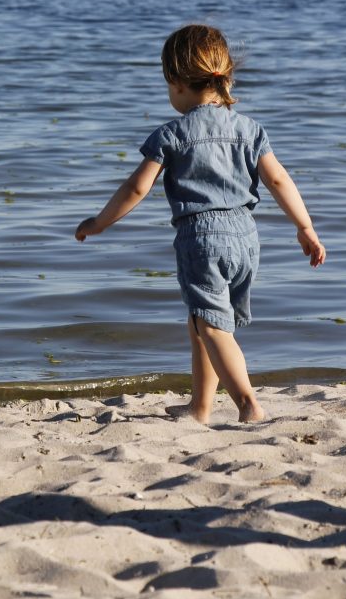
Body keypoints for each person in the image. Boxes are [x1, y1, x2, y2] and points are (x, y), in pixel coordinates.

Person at [75, 24, 325, 424]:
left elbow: (136, 188)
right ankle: (200, 407)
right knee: (204, 323)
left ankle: (248, 404)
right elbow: (278, 179)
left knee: (210, 327)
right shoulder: (249, 129)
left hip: (202, 238)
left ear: (176, 83)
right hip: (246, 237)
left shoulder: (171, 134)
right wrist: (305, 227)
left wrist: (99, 222)